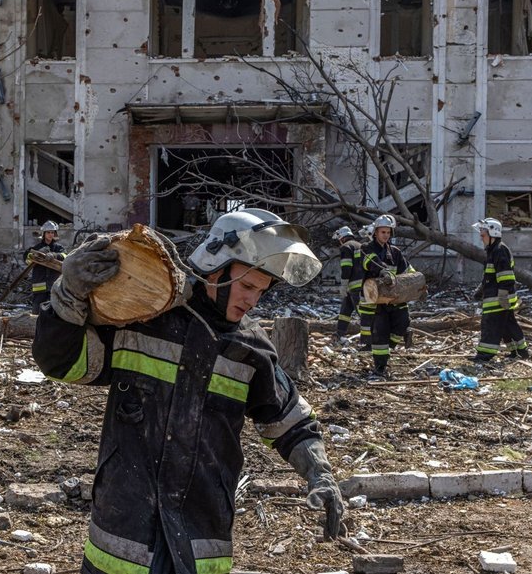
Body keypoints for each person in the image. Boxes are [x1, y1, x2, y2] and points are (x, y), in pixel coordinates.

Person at [32, 209, 344, 574]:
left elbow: (290, 421)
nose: (252, 300)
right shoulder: (145, 318)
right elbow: (62, 363)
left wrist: (319, 474)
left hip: (201, 535)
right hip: (125, 531)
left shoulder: (251, 349)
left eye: (260, 291)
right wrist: (68, 297)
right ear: (215, 268)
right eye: (246, 286)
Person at [361, 215, 412, 377]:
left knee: (404, 322)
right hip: (377, 300)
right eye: (382, 232)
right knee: (380, 332)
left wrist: (419, 284)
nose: (385, 235)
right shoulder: (367, 248)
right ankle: (380, 366)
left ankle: (390, 346)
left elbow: (407, 271)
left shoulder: (395, 252)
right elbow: (370, 261)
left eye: (388, 232)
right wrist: (382, 270)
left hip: (396, 298)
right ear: (375, 232)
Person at [471, 218, 529, 362]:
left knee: (490, 324)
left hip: (499, 297)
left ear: (492, 233)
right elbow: (489, 276)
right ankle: (520, 351)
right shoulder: (493, 250)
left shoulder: (499, 250)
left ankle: (484, 355)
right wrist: (480, 291)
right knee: (507, 325)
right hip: (498, 295)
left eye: (483, 233)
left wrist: (503, 294)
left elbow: (506, 275)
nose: (480, 236)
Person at [25, 220, 66, 314]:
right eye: (48, 232)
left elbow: (65, 256)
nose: (50, 234)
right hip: (39, 286)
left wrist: (55, 255)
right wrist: (38, 253)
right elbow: (27, 259)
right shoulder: (36, 247)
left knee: (54, 313)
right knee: (37, 312)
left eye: (52, 232)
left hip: (54, 286)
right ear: (43, 234)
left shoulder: (59, 248)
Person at [332, 226, 363, 345]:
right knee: (345, 310)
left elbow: (347, 267)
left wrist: (344, 284)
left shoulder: (346, 247)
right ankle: (339, 333)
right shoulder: (359, 245)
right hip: (362, 284)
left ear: (341, 238)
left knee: (363, 313)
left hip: (354, 285)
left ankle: (372, 337)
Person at [355, 223, 376, 350]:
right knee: (368, 317)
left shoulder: (366, 248)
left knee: (367, 318)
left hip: (368, 288)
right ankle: (369, 342)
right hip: (368, 287)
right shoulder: (366, 248)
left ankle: (368, 343)